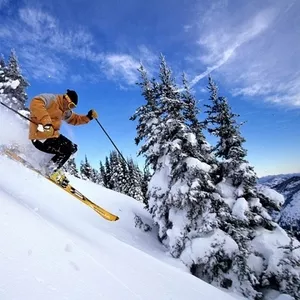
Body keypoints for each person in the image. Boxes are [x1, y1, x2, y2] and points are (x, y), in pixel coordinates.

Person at [29, 89, 97, 185]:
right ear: (66, 98)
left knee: (73, 148)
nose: (71, 108)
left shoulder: (64, 111)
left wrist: (88, 117)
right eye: (71, 105)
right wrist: (46, 121)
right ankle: (49, 169)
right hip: (40, 134)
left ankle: (49, 164)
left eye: (73, 107)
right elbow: (36, 102)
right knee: (67, 149)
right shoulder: (52, 99)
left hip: (51, 136)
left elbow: (75, 119)